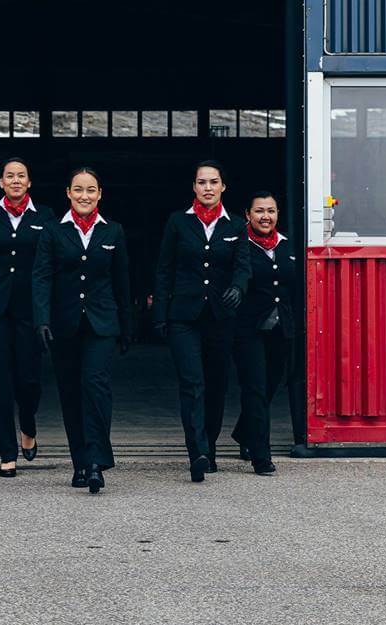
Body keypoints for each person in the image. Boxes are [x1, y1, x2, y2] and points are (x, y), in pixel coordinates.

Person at [32, 167, 132, 494]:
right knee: (71, 393)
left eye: (91, 190)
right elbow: (42, 277)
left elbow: (122, 282)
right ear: (68, 193)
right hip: (64, 324)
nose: (84, 196)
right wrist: (42, 319)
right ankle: (79, 463)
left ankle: (96, 462)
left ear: (100, 194)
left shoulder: (113, 231)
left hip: (102, 324)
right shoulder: (52, 232)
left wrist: (128, 327)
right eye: (78, 190)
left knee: (96, 385)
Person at [152, 160, 251, 481]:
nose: (207, 187)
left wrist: (238, 286)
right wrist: (159, 315)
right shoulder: (178, 223)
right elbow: (164, 269)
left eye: (213, 182)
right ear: (193, 187)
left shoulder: (236, 225)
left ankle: (210, 444)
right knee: (192, 383)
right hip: (184, 316)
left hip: (221, 317)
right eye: (201, 182)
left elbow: (243, 266)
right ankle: (197, 451)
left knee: (217, 386)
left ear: (223, 187)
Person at [0, 158, 55, 478]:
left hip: (30, 311)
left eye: (21, 176)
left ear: (29, 183)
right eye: (9, 176)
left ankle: (28, 424)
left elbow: (50, 268)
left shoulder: (45, 217)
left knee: (28, 381)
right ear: (1, 183)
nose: (15, 181)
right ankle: (6, 452)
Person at [231, 191, 304, 475]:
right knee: (255, 387)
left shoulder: (287, 246)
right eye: (259, 211)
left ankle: (243, 432)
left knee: (271, 385)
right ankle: (261, 455)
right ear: (247, 215)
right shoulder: (240, 246)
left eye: (271, 211)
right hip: (248, 329)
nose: (266, 216)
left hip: (281, 329)